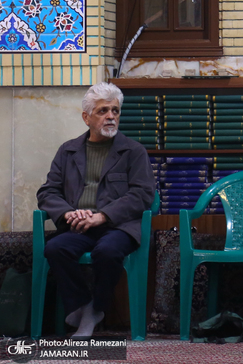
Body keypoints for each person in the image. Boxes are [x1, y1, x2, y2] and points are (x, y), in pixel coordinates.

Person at [37, 82, 156, 339]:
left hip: (119, 227)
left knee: (108, 251)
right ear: (86, 117)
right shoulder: (67, 151)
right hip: (78, 225)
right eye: (103, 111)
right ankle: (82, 306)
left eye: (115, 110)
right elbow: (47, 192)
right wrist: (68, 213)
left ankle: (94, 311)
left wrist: (103, 215)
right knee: (56, 248)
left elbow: (143, 194)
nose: (111, 116)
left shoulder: (133, 151)